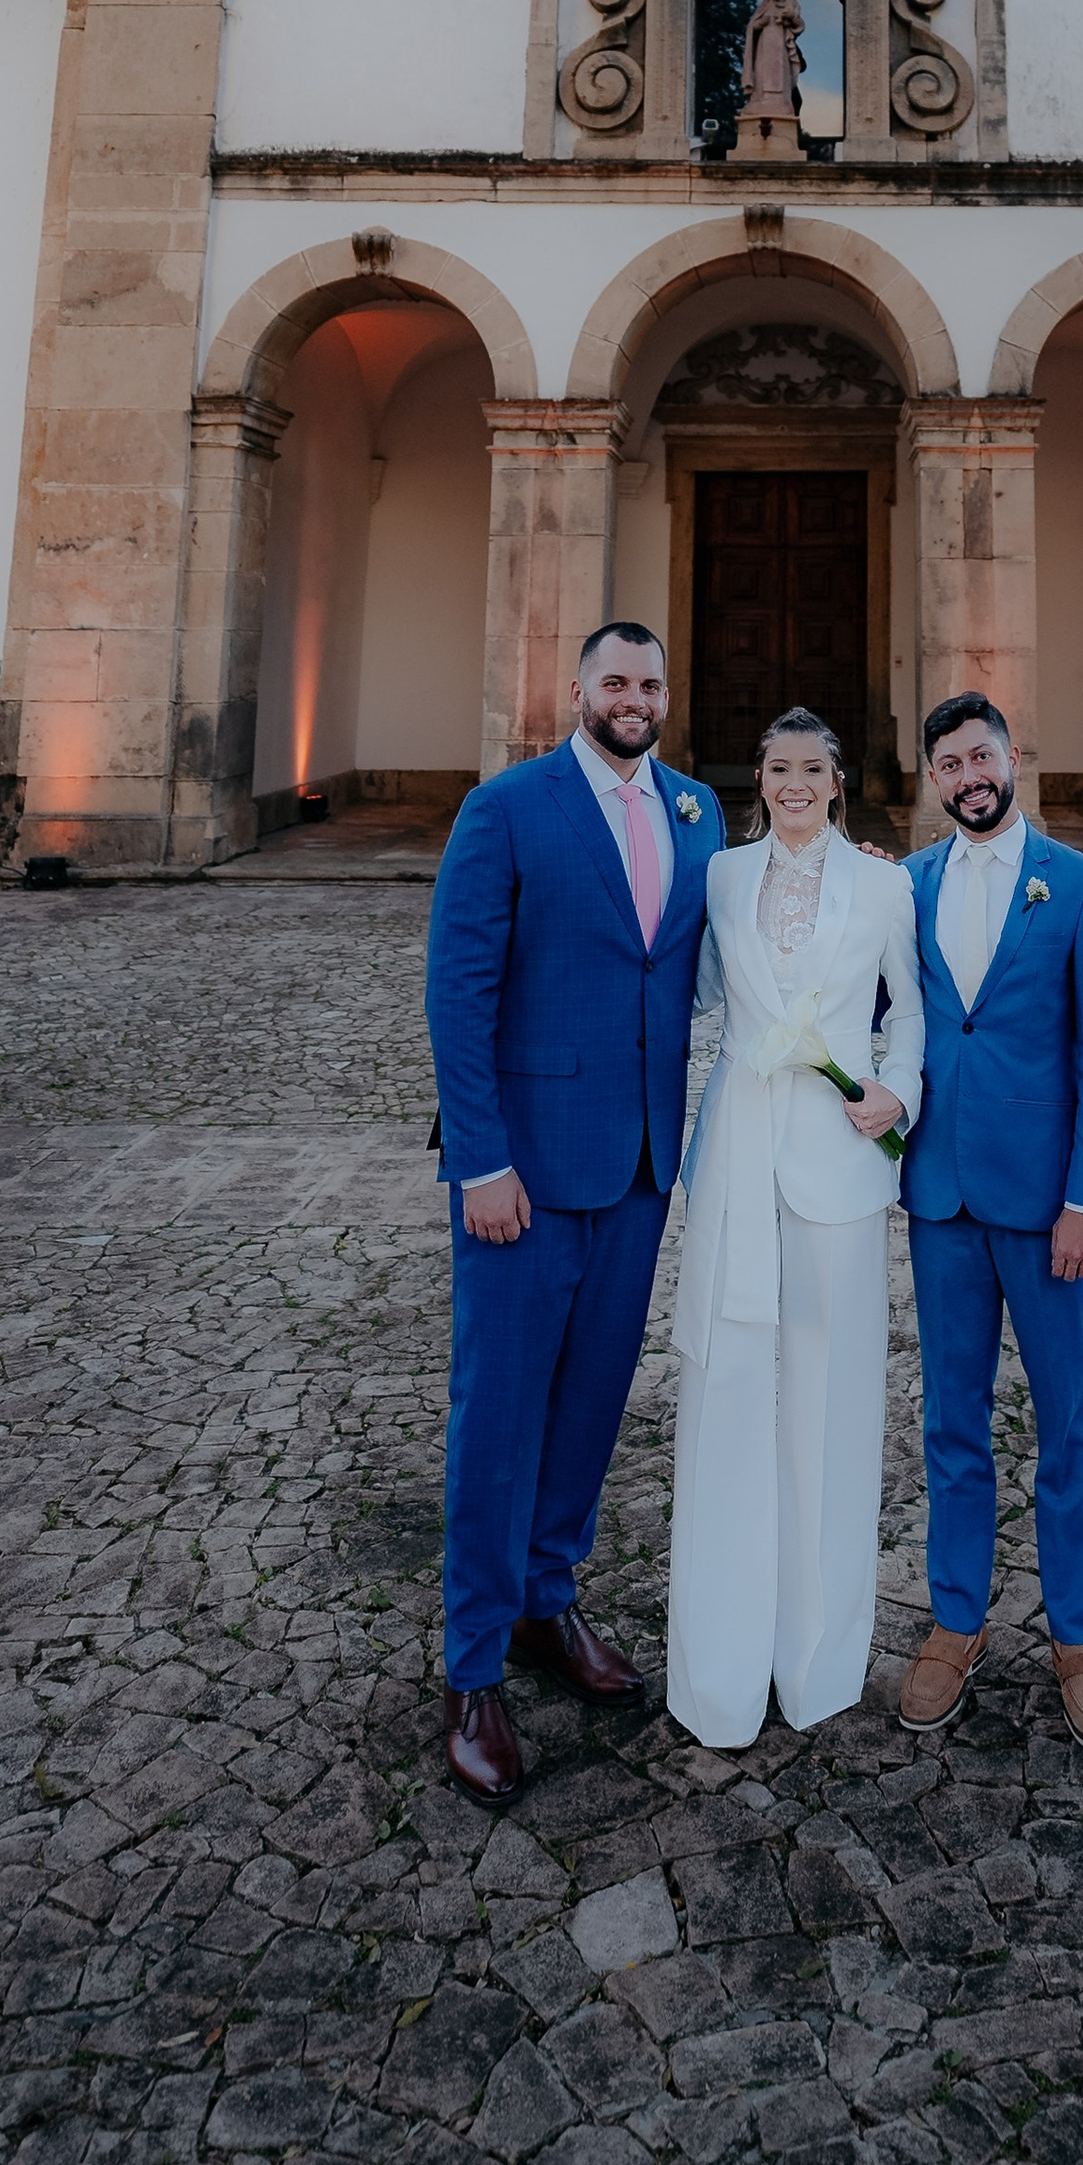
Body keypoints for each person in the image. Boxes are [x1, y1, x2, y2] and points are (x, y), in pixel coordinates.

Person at [422, 620, 725, 1808]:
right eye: (615, 681)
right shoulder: (506, 809)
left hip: (643, 1167)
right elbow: (459, 990)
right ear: (577, 692)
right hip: (526, 1177)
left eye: (652, 681)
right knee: (497, 1410)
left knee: (594, 1400)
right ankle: (471, 1664)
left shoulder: (698, 811)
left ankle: (551, 1599)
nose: (634, 698)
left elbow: (728, 957)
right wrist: (479, 1162)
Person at [665, 709, 923, 1749]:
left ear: (837, 778)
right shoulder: (722, 878)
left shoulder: (885, 885)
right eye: (777, 768)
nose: (794, 784)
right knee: (726, 1385)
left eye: (812, 768)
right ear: (757, 779)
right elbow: (675, 995)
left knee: (830, 1400)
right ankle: (717, 1667)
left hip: (835, 1156)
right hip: (735, 1144)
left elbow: (907, 1012)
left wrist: (896, 1091)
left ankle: (816, 1661)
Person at [896, 690, 1083, 1754]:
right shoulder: (903, 885)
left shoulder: (1082, 888)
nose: (967, 776)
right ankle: (956, 1620)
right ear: (933, 779)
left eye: (980, 755)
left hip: (1047, 1214)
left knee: (1066, 1422)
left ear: (1012, 758)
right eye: (948, 763)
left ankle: (1078, 1637)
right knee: (951, 1421)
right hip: (939, 1199)